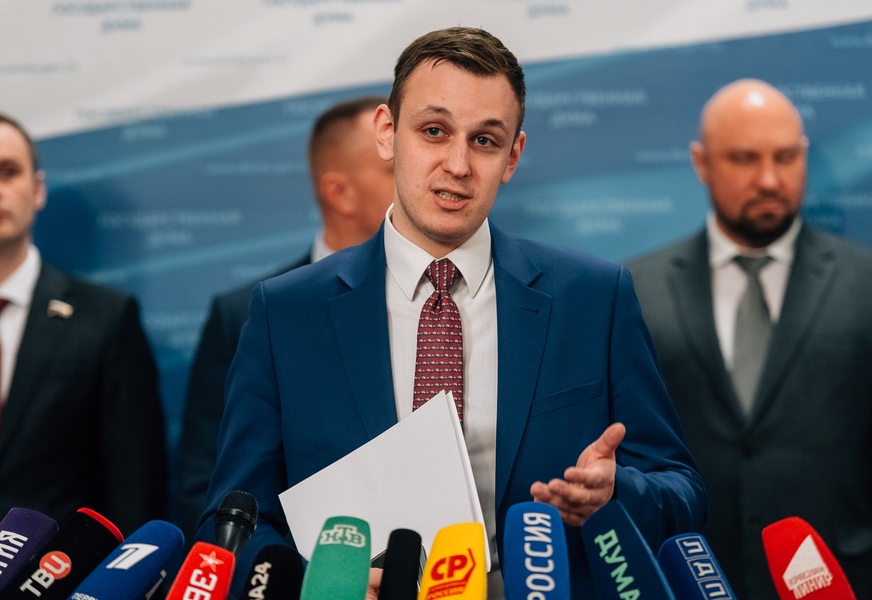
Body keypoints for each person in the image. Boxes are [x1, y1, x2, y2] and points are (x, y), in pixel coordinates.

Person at [199, 27, 705, 598]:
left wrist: (617, 493)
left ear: (512, 156)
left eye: (485, 140)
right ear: (387, 132)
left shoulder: (593, 299)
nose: (458, 164)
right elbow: (232, 521)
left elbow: (682, 491)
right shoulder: (287, 314)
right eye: (434, 131)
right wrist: (323, 584)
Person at [627, 79, 872, 596]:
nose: (769, 179)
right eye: (743, 158)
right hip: (688, 580)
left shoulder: (865, 284)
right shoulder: (635, 292)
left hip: (841, 581)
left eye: (786, 157)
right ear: (701, 162)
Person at [174, 96, 394, 542]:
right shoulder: (243, 314)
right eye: (393, 170)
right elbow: (208, 485)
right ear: (340, 192)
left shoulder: (444, 301)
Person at [0, 111, 167, 546]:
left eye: (8, 171)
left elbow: (135, 484)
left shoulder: (107, 317)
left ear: (37, 189)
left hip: (60, 573)